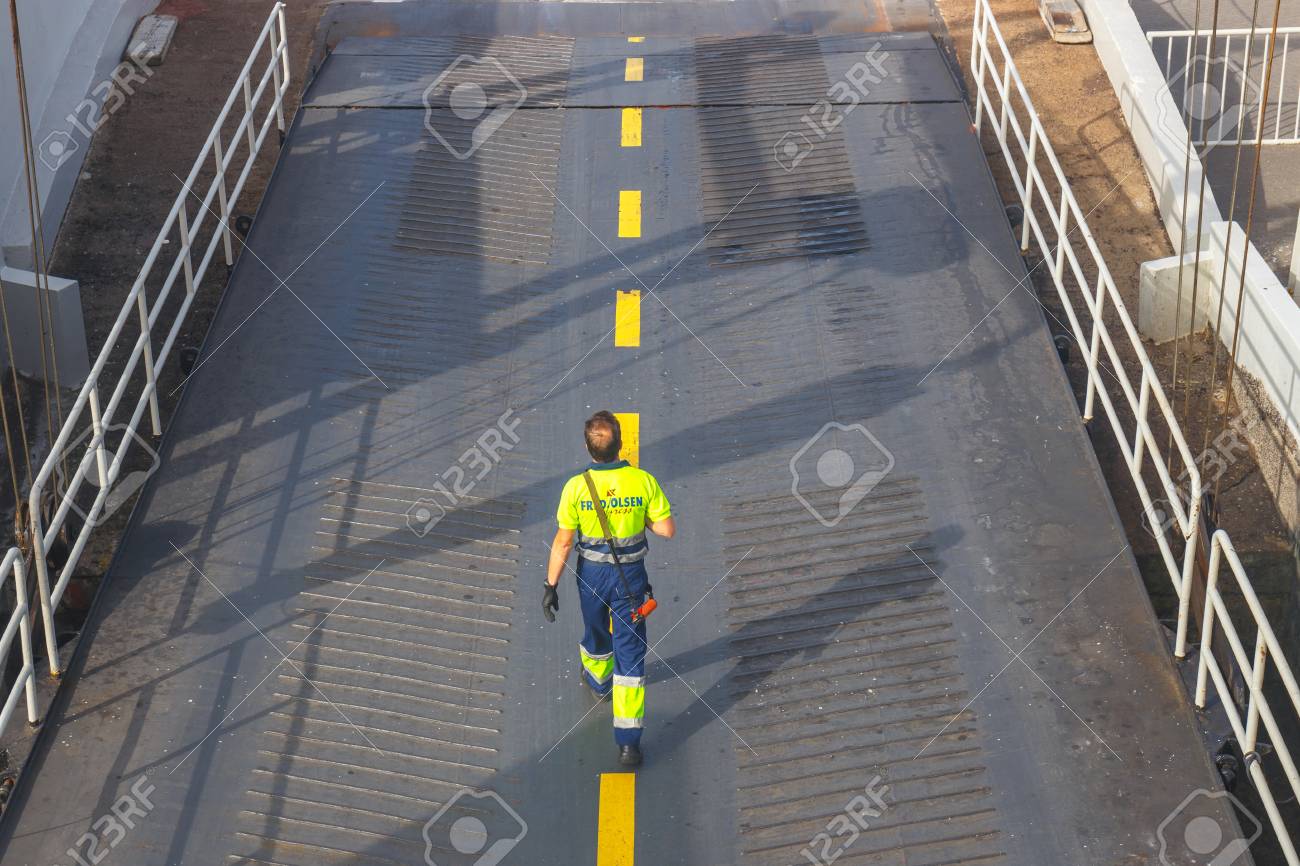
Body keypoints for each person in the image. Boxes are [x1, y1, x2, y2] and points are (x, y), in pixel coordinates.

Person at [543, 411, 675, 766]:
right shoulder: (642, 481)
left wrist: (550, 585)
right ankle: (628, 743)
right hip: (630, 577)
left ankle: (599, 681)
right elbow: (666, 530)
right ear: (621, 444)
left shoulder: (575, 487)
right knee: (630, 653)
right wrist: (642, 516)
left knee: (596, 631)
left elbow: (563, 542)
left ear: (588, 447)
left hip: (591, 576)